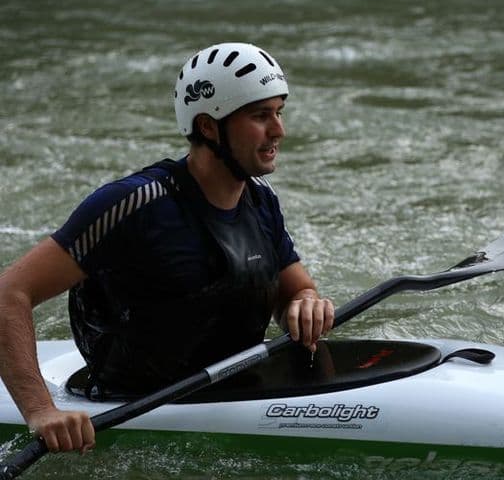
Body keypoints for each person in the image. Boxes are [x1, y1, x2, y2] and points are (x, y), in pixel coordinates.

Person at [0, 42, 334, 454]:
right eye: (260, 115)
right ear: (209, 127)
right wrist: (40, 411)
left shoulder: (261, 199)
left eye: (279, 112)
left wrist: (305, 304)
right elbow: (8, 293)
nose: (279, 129)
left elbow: (296, 290)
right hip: (129, 402)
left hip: (232, 390)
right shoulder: (133, 205)